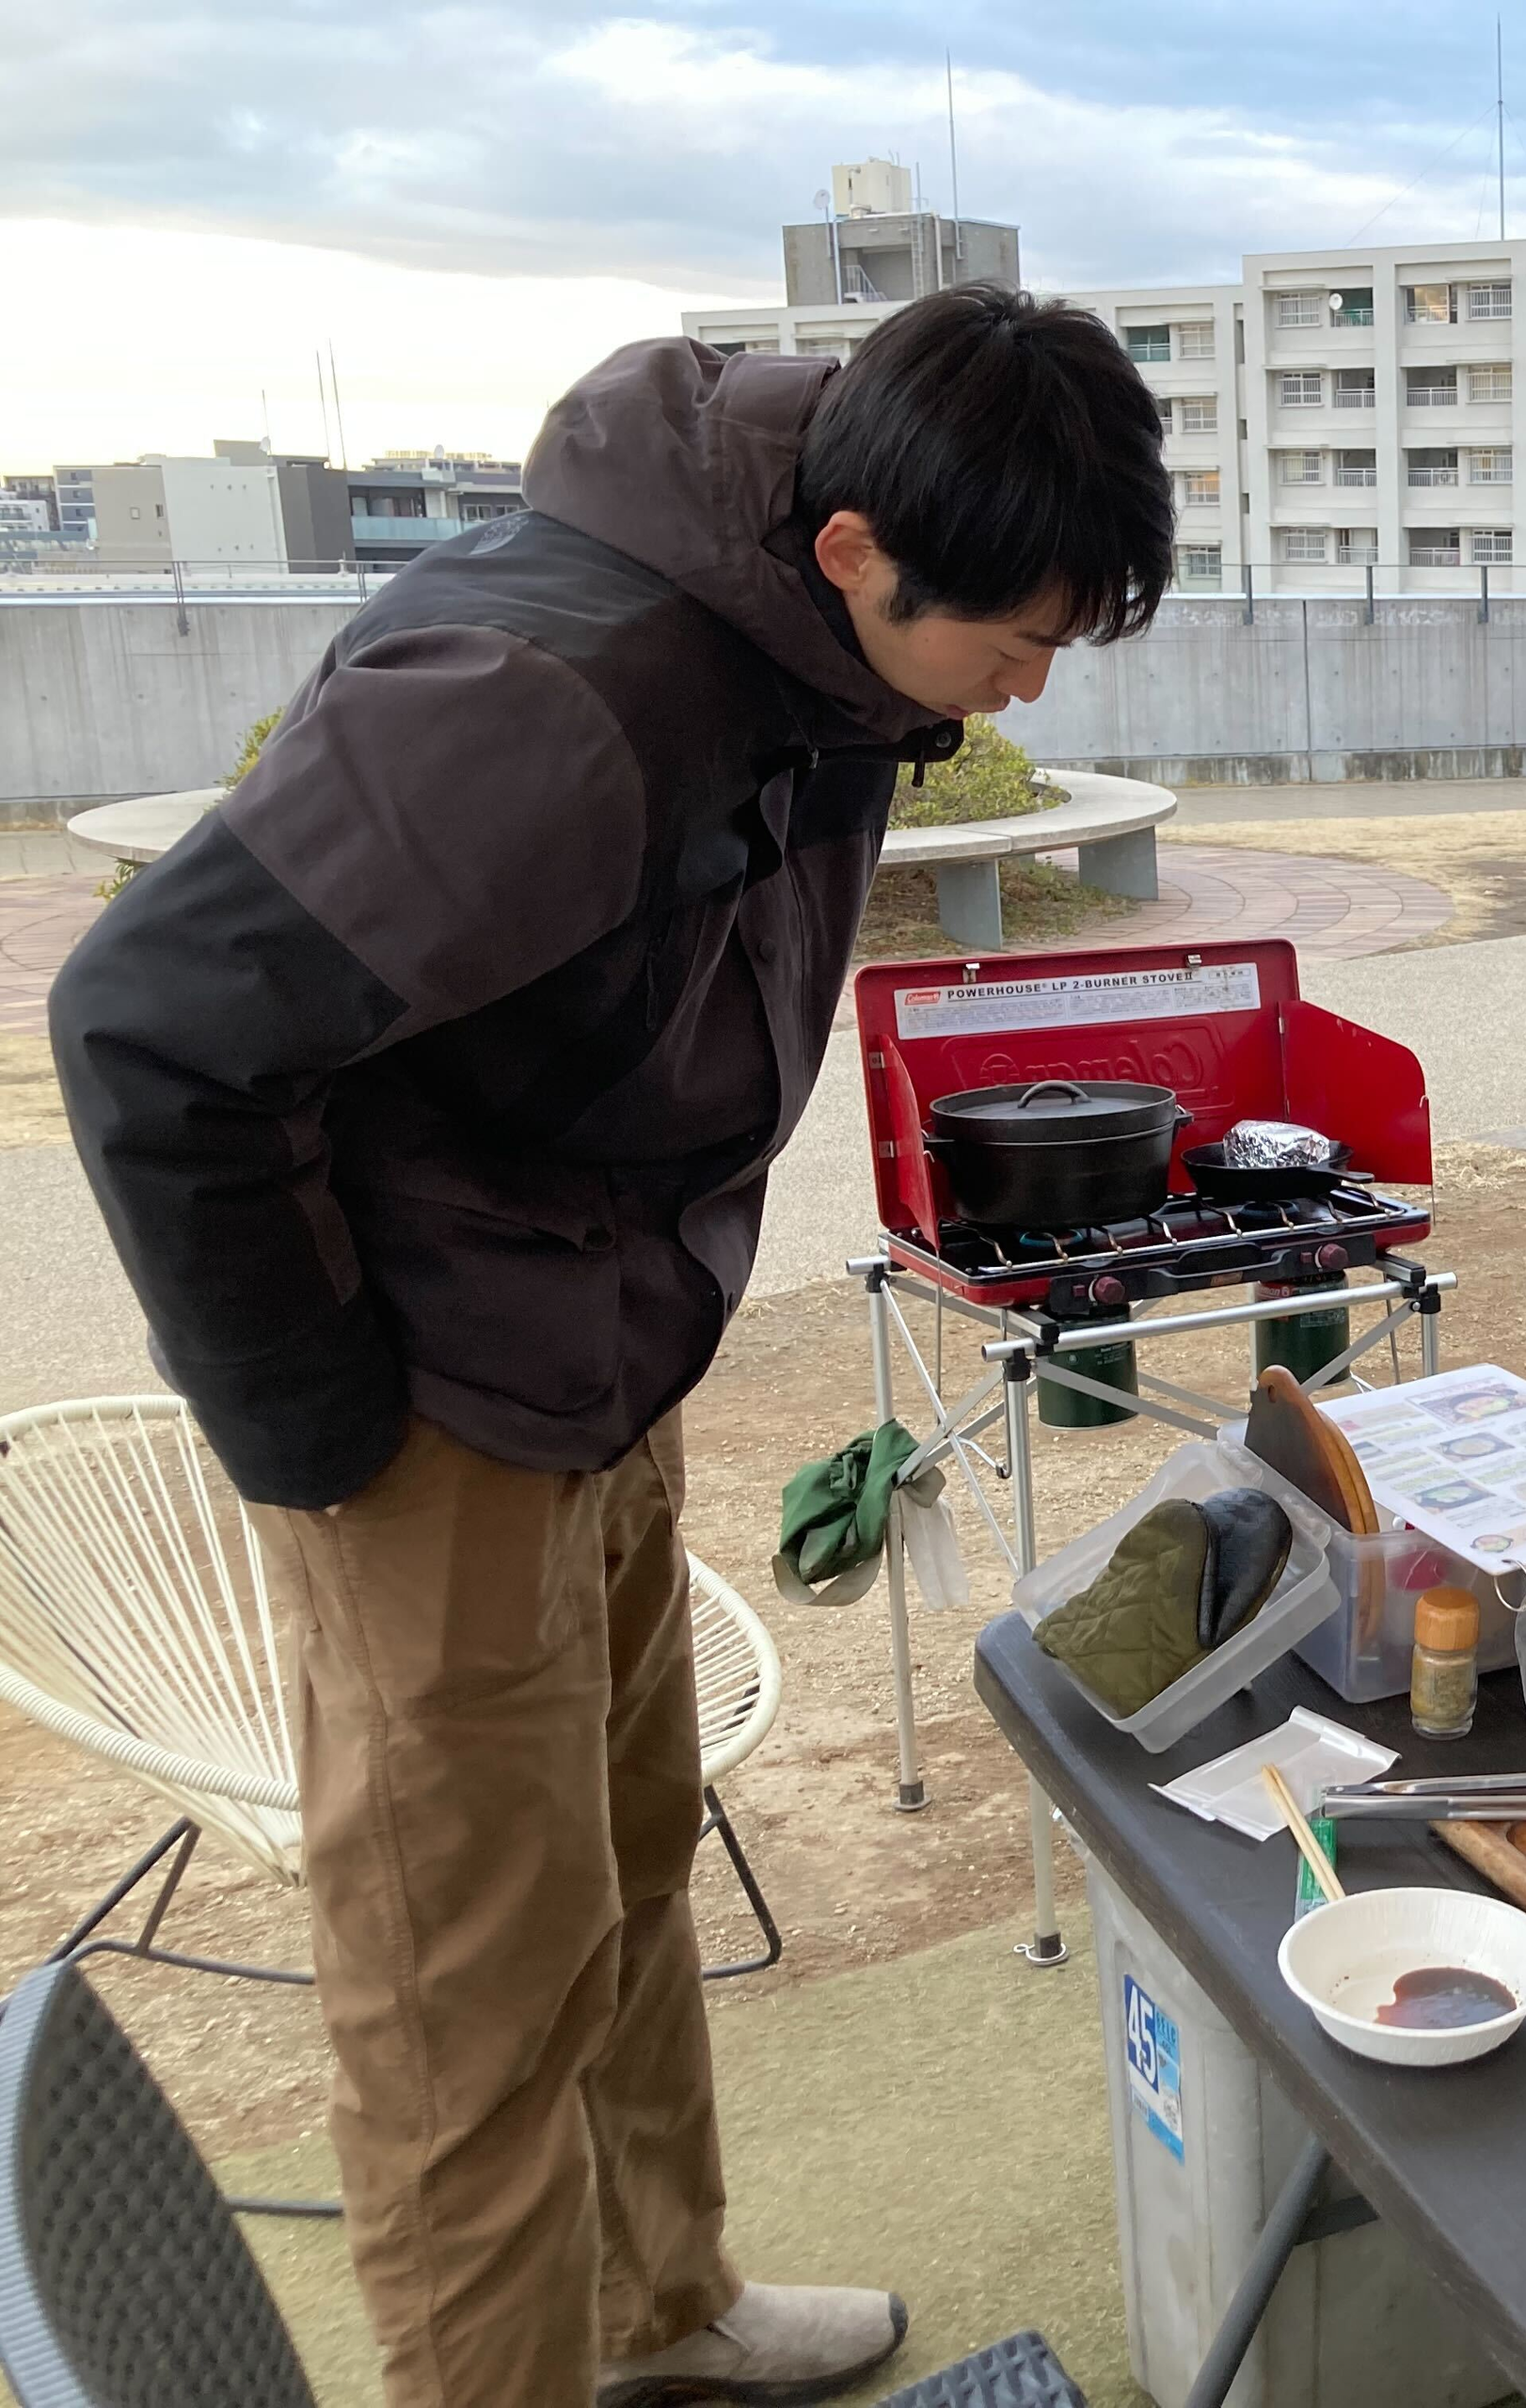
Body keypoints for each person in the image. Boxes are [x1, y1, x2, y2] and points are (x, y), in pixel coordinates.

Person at [50, 288, 1172, 2407]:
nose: (1027, 683)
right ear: (848, 550)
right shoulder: (550, 692)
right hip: (428, 1409)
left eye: (1066, 638)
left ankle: (667, 2308)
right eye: (1006, 637)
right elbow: (149, 1028)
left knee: (627, 1866)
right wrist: (325, 1437)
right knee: (465, 2000)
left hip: (599, 1351)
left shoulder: (810, 628)